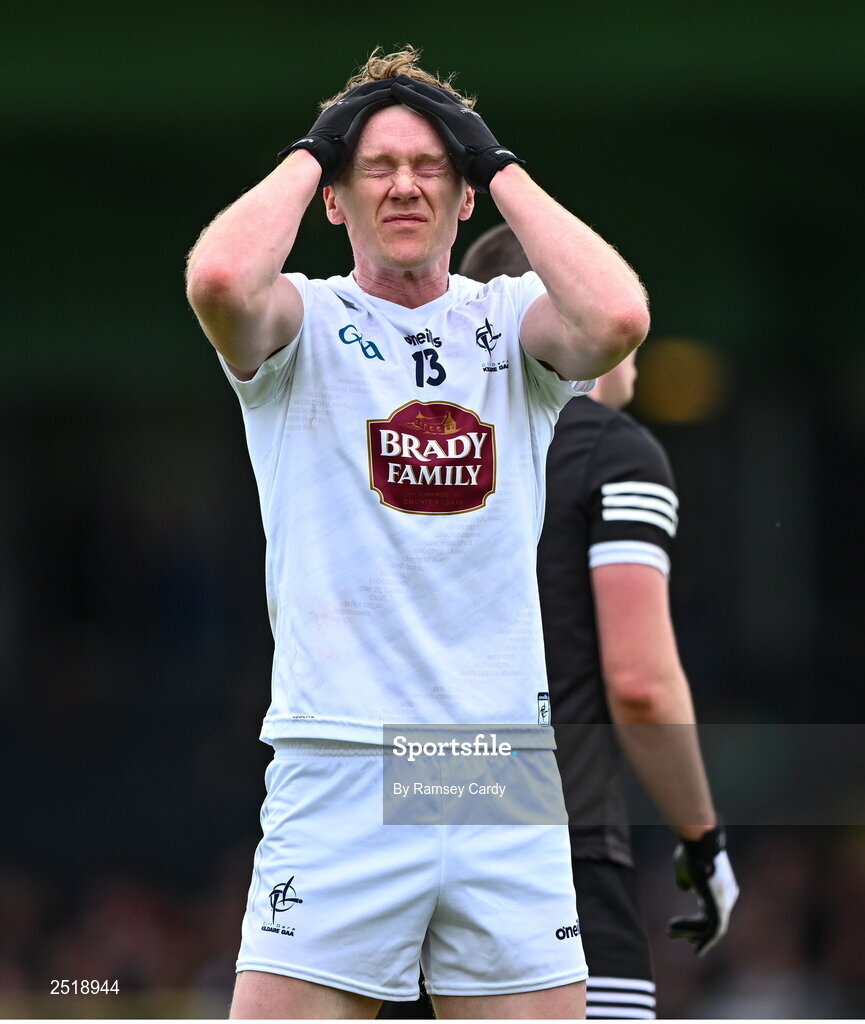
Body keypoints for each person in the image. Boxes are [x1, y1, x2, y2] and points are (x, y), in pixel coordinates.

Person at [185, 45, 649, 1020]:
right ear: (333, 199)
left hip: (494, 764)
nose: (405, 185)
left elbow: (616, 317)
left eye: (431, 167)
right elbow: (221, 276)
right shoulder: (299, 321)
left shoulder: (510, 317)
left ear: (466, 193)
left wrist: (500, 161)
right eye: (377, 167)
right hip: (345, 753)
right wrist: (320, 141)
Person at [459, 223, 739, 1019]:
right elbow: (641, 684)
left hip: (406, 837)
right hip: (558, 852)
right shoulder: (613, 450)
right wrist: (702, 841)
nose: (635, 338)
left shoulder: (423, 448)